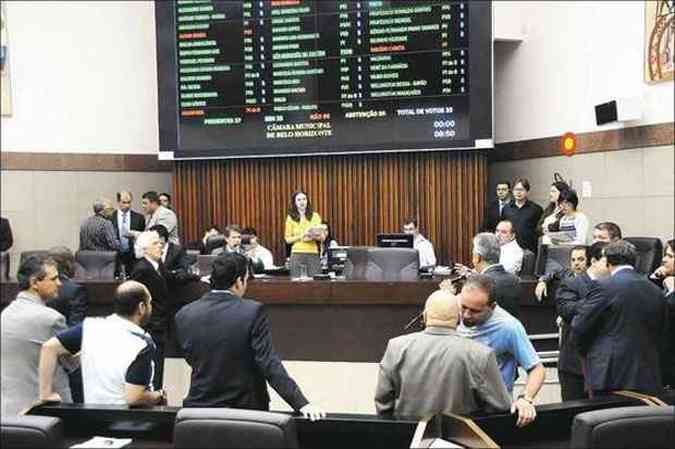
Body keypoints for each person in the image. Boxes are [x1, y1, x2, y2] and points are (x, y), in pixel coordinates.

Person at [175, 253, 325, 420]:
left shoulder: (184, 314)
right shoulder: (252, 311)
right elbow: (268, 363)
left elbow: (193, 358)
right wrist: (301, 403)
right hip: (245, 411)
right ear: (239, 281)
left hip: (198, 410)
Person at [375, 289, 512, 419]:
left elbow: (383, 402)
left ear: (425, 315)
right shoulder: (481, 354)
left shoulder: (396, 347)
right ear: (459, 318)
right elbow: (501, 405)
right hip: (460, 439)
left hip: (408, 436)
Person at [39, 281, 166, 406]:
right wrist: (158, 395)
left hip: (92, 417)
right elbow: (133, 397)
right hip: (129, 421)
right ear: (141, 307)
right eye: (149, 303)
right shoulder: (142, 343)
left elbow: (49, 347)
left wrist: (46, 394)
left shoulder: (89, 327)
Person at [572, 241, 667, 396]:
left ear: (608, 261)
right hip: (648, 375)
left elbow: (580, 325)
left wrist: (591, 353)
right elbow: (662, 331)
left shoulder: (603, 286)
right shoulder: (655, 290)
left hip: (609, 374)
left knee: (608, 419)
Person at [457, 275, 543, 426]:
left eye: (475, 311)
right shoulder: (454, 310)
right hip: (458, 407)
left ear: (492, 306)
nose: (465, 315)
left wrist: (526, 399)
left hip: (493, 410)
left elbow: (537, 369)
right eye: (463, 307)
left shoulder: (509, 327)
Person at [1, 255, 72, 416]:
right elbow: (73, 364)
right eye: (54, 279)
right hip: (43, 412)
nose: (59, 284)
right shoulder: (52, 319)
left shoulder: (5, 315)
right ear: (34, 283)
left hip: (8, 410)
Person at [554, 242, 608, 401]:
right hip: (575, 367)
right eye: (608, 260)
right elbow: (567, 310)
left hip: (603, 366)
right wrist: (601, 303)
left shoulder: (613, 285)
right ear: (594, 261)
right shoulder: (571, 283)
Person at [45, 246, 88, 403]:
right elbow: (75, 326)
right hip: (64, 356)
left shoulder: (37, 288)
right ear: (70, 264)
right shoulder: (76, 290)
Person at [131, 231, 172, 390]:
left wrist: (196, 278)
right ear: (145, 249)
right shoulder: (142, 269)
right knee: (152, 366)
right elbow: (135, 298)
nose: (160, 245)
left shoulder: (157, 264)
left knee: (159, 364)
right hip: (150, 325)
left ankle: (157, 393)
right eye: (155, 243)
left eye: (160, 242)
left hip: (160, 323)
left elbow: (170, 278)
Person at [454, 233, 521, 318]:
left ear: (477, 257)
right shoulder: (515, 280)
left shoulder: (481, 284)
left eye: (473, 254)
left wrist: (446, 293)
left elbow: (465, 314)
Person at [284, 190, 324, 278]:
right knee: (297, 282)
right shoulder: (290, 217)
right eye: (299, 200)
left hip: (313, 252)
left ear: (307, 201)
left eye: (304, 199)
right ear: (294, 202)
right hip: (297, 253)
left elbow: (322, 237)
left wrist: (312, 236)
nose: (302, 202)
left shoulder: (315, 216)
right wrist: (302, 236)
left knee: (316, 282)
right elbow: (287, 239)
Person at [653, 239, 674, 388]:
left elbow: (666, 315)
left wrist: (673, 291)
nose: (664, 259)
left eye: (670, 256)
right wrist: (655, 278)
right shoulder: (666, 280)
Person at [502, 178, 543, 253]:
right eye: (516, 190)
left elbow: (539, 230)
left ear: (527, 191)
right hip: (511, 249)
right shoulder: (506, 208)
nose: (518, 192)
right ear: (512, 191)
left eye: (521, 190)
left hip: (530, 250)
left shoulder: (536, 209)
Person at [110, 191, 145, 275]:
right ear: (118, 202)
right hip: (116, 255)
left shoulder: (139, 218)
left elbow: (142, 237)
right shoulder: (111, 217)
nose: (127, 205)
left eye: (129, 202)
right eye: (124, 202)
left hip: (133, 256)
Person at [538, 180, 570, 245]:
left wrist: (547, 227)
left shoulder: (567, 210)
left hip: (558, 245)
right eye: (550, 191)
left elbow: (559, 226)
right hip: (544, 244)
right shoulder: (549, 209)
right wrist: (546, 229)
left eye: (553, 191)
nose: (550, 194)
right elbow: (538, 227)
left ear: (562, 193)